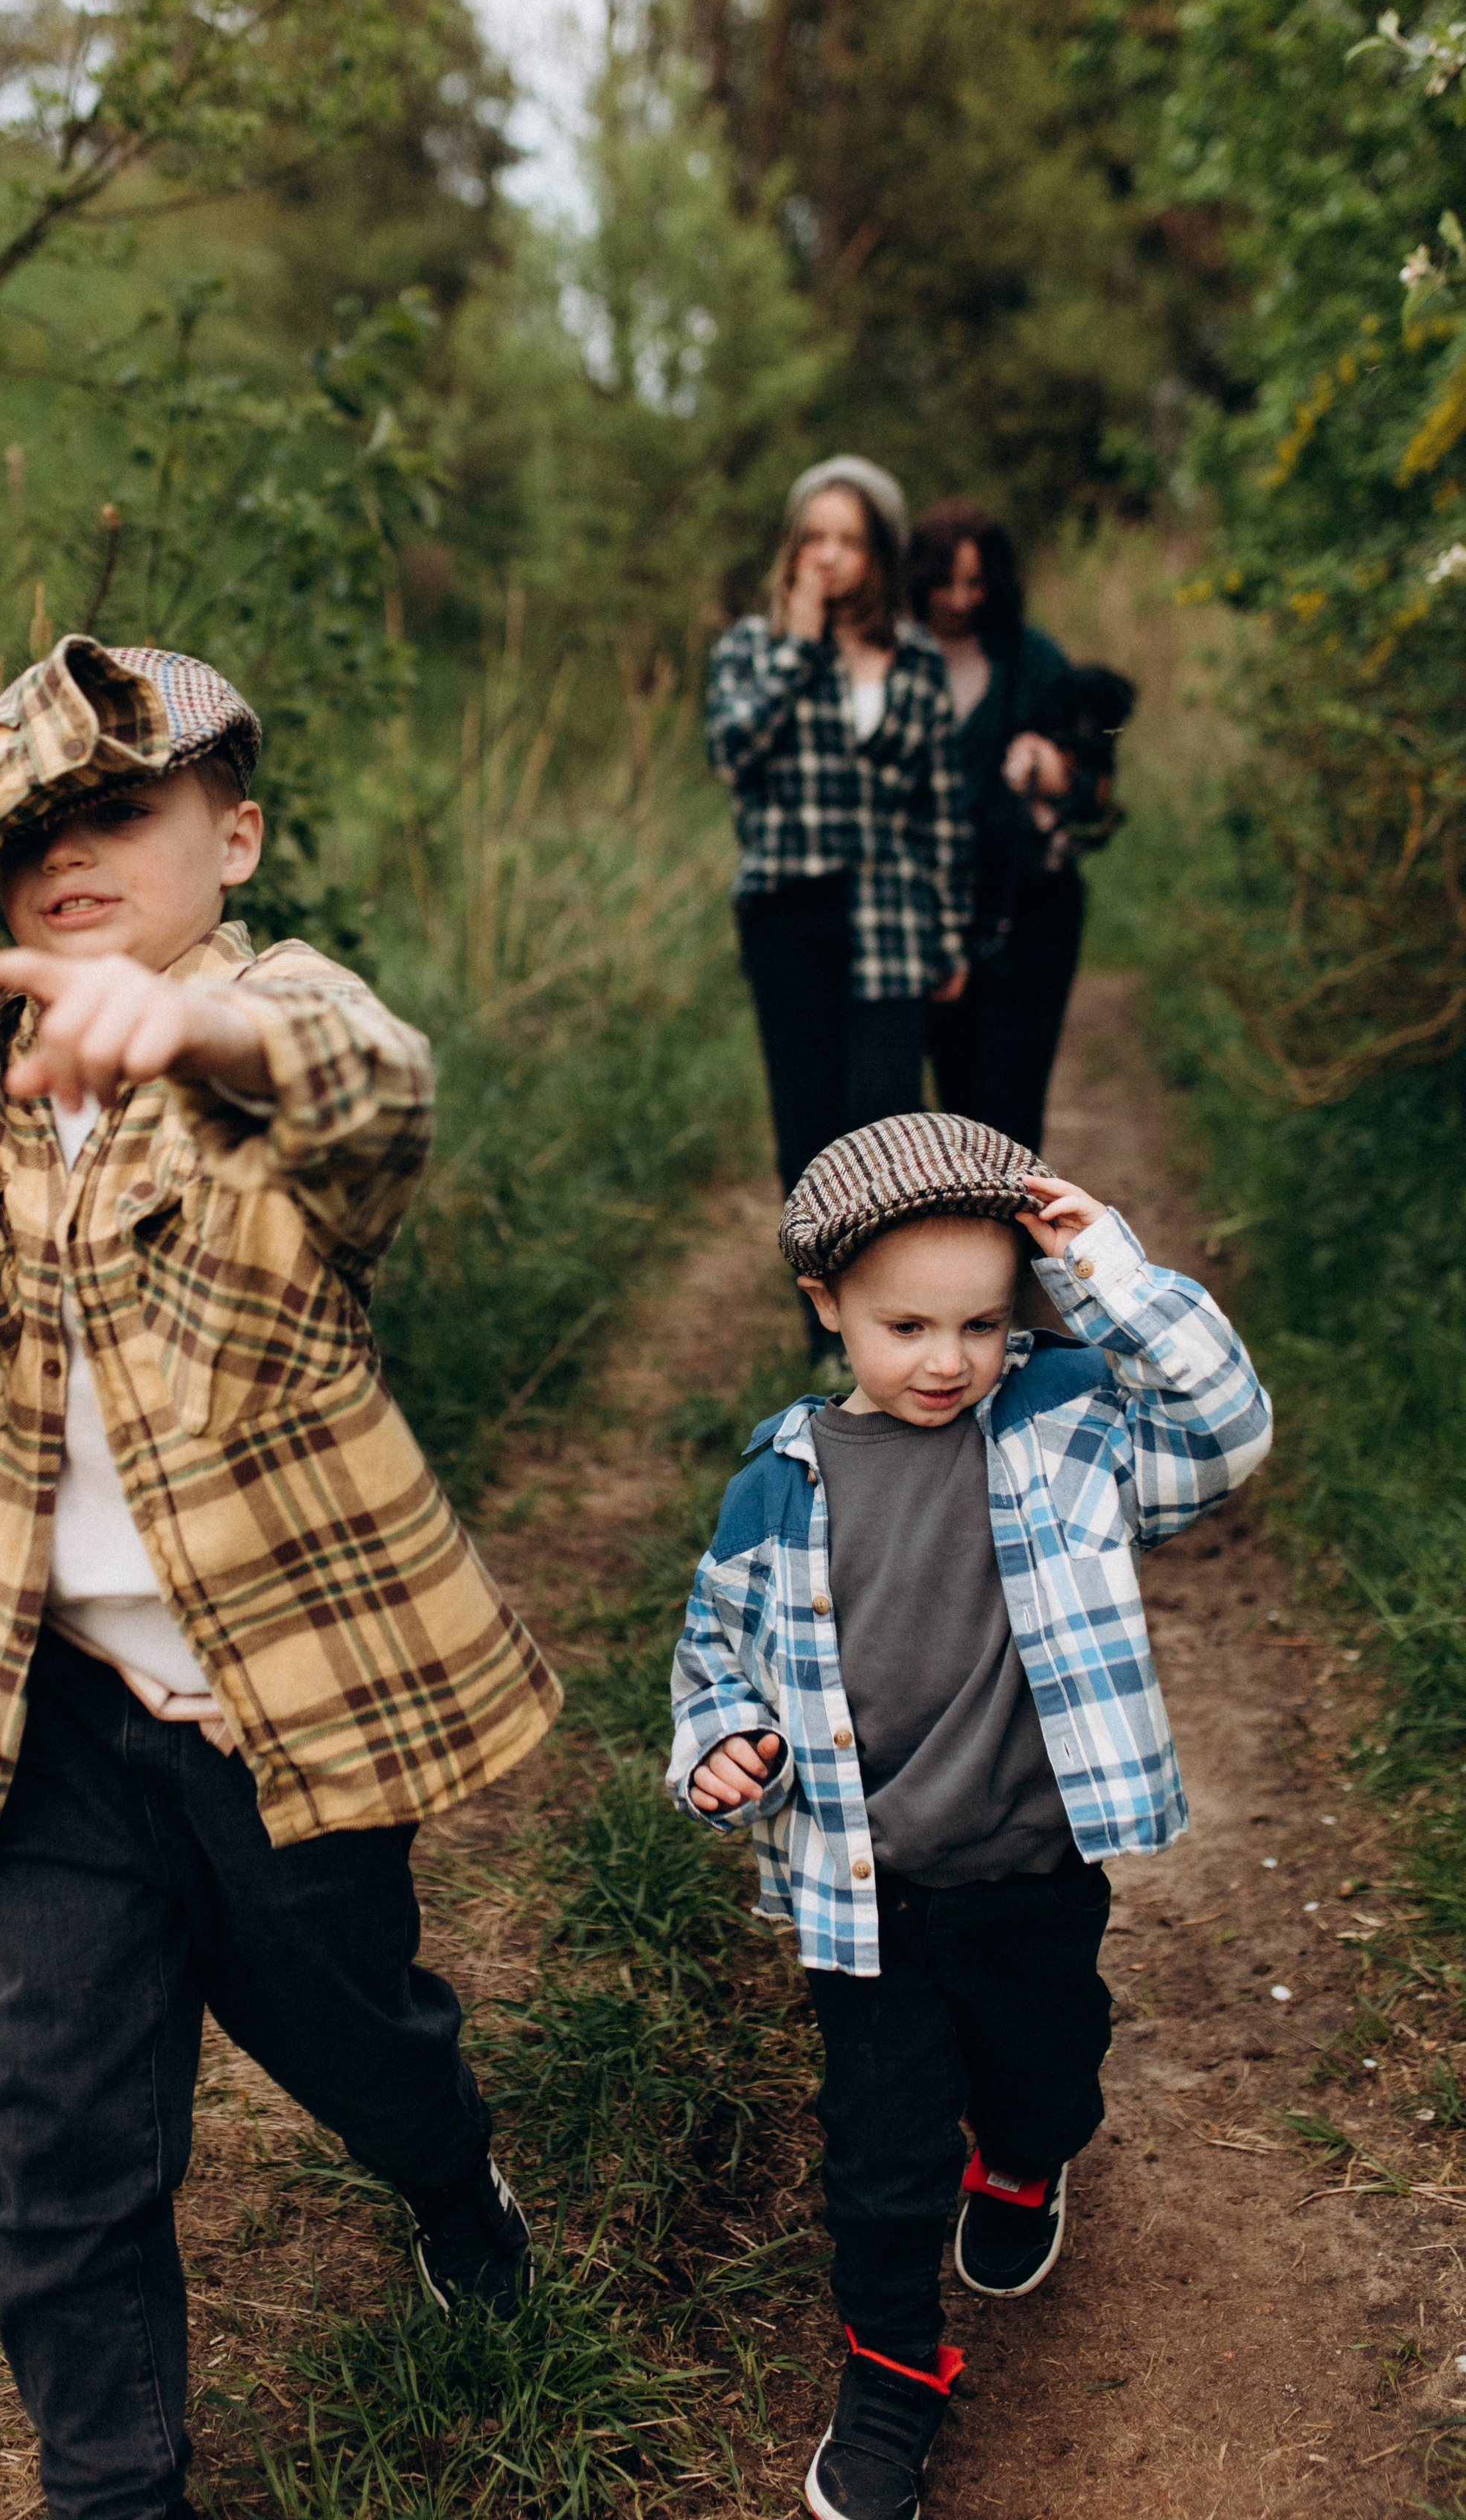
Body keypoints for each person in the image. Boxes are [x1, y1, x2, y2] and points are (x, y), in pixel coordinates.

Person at [0, 637, 561, 2520]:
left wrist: (195, 1036)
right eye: (31, 835)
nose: (69, 856)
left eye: (122, 811)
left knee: (358, 2033)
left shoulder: (275, 1013)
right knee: (58, 2139)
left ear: (232, 837)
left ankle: (446, 2178)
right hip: (58, 1723)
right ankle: (115, 2486)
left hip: (268, 1708)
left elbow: (378, 1093)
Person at [667, 1113, 1271, 2520]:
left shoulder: (1064, 1425)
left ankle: (1025, 2159)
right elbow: (713, 1655)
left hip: (1031, 1871)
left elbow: (1225, 1430)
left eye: (985, 1322)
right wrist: (720, 1744)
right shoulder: (775, 1489)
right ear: (826, 1306)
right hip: (866, 1905)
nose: (948, 1361)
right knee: (878, 2163)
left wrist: (1103, 1266)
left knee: (1047, 2065)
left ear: (1023, 1309)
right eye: (907, 1326)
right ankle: (891, 2373)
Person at [707, 459, 972, 1278]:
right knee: (807, 1123)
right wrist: (797, 645)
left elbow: (939, 812)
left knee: (887, 1123)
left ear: (880, 554)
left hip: (890, 918)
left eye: (848, 541)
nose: (827, 556)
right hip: (789, 910)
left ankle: (893, 1300)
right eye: (813, 537)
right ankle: (825, 1314)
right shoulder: (752, 649)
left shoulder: (918, 659)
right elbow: (731, 754)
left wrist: (951, 937)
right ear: (789, 549)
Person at [907, 499, 1103, 1155]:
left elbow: (1096, 787)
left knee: (1012, 1111)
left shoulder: (1033, 658)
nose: (961, 599)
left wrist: (1055, 774)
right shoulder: (896, 658)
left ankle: (1022, 1254)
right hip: (932, 915)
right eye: (946, 581)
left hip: (1028, 917)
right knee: (955, 1112)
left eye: (977, 582)